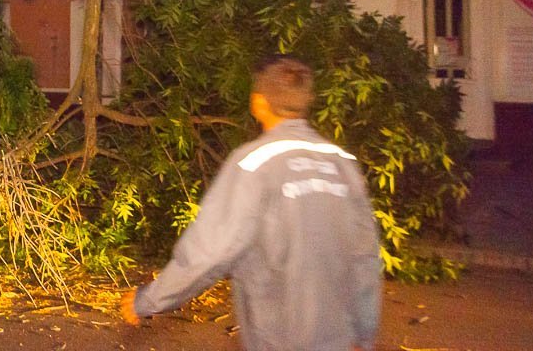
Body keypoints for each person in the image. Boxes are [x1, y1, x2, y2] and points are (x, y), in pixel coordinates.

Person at [120, 56, 382, 351]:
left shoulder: (255, 163)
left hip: (278, 338)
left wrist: (149, 299)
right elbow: (366, 259)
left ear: (258, 103)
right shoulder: (342, 163)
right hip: (339, 340)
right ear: (306, 100)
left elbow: (209, 252)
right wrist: (364, 335)